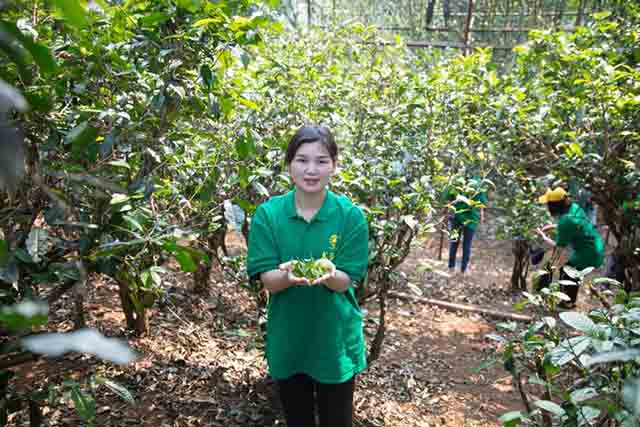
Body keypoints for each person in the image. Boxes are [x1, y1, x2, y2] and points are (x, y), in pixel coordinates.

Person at [246, 125, 369, 427]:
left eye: (321, 160)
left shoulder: (350, 216)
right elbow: (269, 282)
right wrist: (289, 275)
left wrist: (328, 273)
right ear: (289, 165)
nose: (311, 170)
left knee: (337, 419)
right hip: (289, 337)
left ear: (334, 166)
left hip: (335, 340)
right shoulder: (269, 215)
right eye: (302, 160)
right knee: (297, 418)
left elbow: (344, 282)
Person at [536, 187, 605, 308]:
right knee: (570, 271)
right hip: (595, 244)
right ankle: (568, 301)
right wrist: (553, 226)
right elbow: (575, 224)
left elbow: (559, 248)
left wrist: (543, 237)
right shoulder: (574, 208)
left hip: (588, 252)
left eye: (548, 204)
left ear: (554, 206)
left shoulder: (566, 222)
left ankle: (567, 302)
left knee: (567, 272)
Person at [444, 175, 487, 277]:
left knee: (454, 242)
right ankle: (463, 269)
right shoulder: (478, 182)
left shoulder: (456, 180)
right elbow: (481, 204)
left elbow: (448, 199)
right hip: (470, 218)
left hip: (457, 216)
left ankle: (451, 267)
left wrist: (448, 212)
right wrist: (481, 216)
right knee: (467, 244)